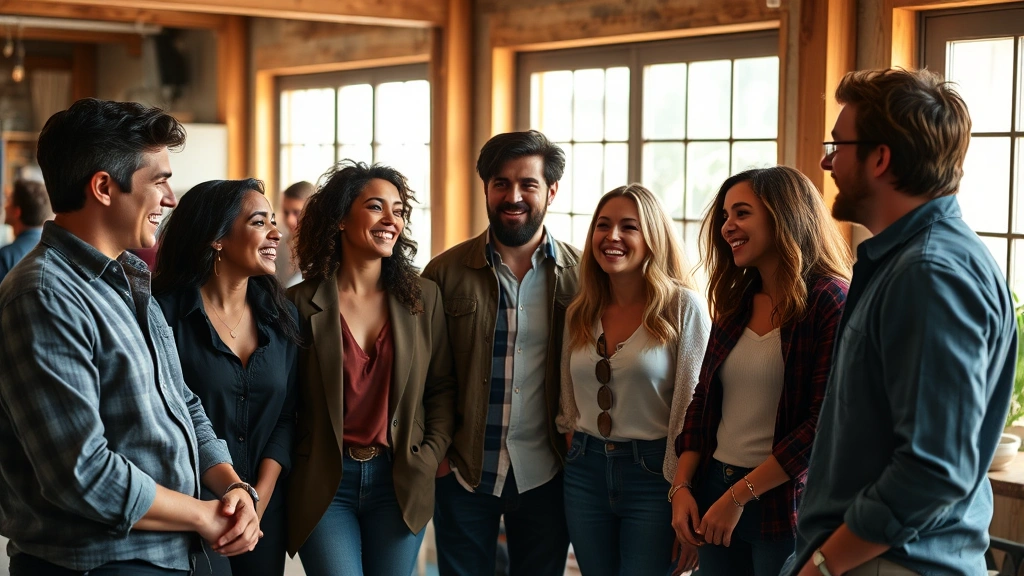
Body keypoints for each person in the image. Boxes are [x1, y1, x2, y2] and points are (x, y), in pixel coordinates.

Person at [0, 98, 260, 576]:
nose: (171, 197)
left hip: (173, 555)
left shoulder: (128, 276)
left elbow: (183, 403)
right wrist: (203, 514)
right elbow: (83, 474)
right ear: (103, 187)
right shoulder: (43, 295)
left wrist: (231, 486)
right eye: (158, 179)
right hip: (99, 563)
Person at [783, 68, 1017, 576]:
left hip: (890, 564)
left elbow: (934, 469)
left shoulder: (930, 274)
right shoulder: (907, 261)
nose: (826, 161)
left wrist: (824, 565)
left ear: (881, 158)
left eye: (838, 145)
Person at [673, 166, 851, 576]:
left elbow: (821, 424)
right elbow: (703, 401)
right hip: (714, 489)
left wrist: (739, 497)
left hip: (781, 503)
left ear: (782, 215)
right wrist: (682, 486)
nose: (726, 227)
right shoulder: (736, 302)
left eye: (741, 213)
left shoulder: (830, 300)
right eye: (724, 217)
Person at [286, 160, 455, 576]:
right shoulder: (298, 304)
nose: (390, 220)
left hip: (399, 480)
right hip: (326, 483)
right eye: (376, 207)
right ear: (341, 218)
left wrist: (429, 455)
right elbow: (286, 401)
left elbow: (442, 388)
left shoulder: (424, 299)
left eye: (398, 210)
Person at [423, 129, 579, 576]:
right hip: (465, 472)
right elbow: (424, 376)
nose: (513, 196)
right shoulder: (444, 273)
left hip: (548, 473)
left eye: (527, 184)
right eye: (500, 184)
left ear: (551, 190)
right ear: (487, 189)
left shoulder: (583, 277)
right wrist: (440, 458)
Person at [556, 184, 709, 576]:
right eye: (603, 226)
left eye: (629, 227)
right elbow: (567, 400)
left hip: (656, 476)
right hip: (584, 472)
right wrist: (575, 440)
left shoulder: (681, 307)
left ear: (653, 237)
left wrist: (683, 488)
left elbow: (697, 409)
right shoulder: (580, 310)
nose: (612, 237)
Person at [153, 178, 300, 576]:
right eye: (259, 222)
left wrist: (258, 500)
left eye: (274, 220)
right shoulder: (163, 316)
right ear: (216, 238)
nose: (277, 232)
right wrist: (231, 499)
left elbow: (287, 417)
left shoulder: (282, 318)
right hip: (190, 507)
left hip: (263, 511)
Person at [0, 179, 52, 283]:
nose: (5, 207)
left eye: (9, 201)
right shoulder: (52, 252)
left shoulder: (6, 256)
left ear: (17, 212)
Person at [276, 180, 313, 288]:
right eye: (286, 213)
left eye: (297, 213)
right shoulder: (278, 246)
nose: (290, 220)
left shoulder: (325, 249)